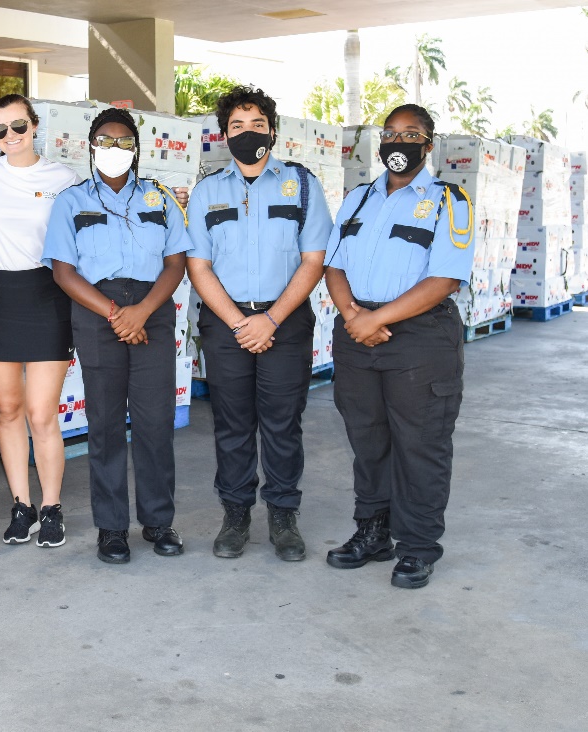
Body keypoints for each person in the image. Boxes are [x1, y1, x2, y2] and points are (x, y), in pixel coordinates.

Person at [323, 103, 473, 589]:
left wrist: (376, 319)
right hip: (357, 331)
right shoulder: (357, 199)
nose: (398, 142)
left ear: (428, 145)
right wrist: (352, 317)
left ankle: (418, 546)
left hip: (420, 339)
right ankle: (373, 532)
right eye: (390, 133)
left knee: (420, 444)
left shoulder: (450, 201)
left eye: (411, 134)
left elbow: (446, 277)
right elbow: (334, 264)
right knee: (368, 439)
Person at [184, 85, 333, 562]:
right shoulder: (208, 190)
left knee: (282, 423)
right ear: (224, 136)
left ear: (273, 130)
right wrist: (238, 322)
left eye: (256, 125)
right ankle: (236, 513)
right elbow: (198, 266)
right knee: (232, 423)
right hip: (226, 323)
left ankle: (284, 515)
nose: (246, 134)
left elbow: (314, 260)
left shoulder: (302, 185)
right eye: (236, 127)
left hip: (284, 322)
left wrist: (268, 320)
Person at [42, 107, 192, 564]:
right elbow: (64, 272)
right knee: (105, 425)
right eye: (105, 141)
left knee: (154, 421)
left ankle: (158, 521)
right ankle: (111, 528)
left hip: (153, 311)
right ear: (91, 147)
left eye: (124, 142)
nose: (114, 150)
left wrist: (142, 311)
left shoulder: (160, 198)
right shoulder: (70, 201)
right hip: (96, 312)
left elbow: (177, 262)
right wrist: (115, 313)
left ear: (137, 150)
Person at [0, 94, 80, 548]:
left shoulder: (63, 178)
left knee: (41, 413)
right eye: (0, 129)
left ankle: (51, 508)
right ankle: (21, 506)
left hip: (47, 296)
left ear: (35, 127)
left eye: (18, 126)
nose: (10, 136)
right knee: (7, 411)